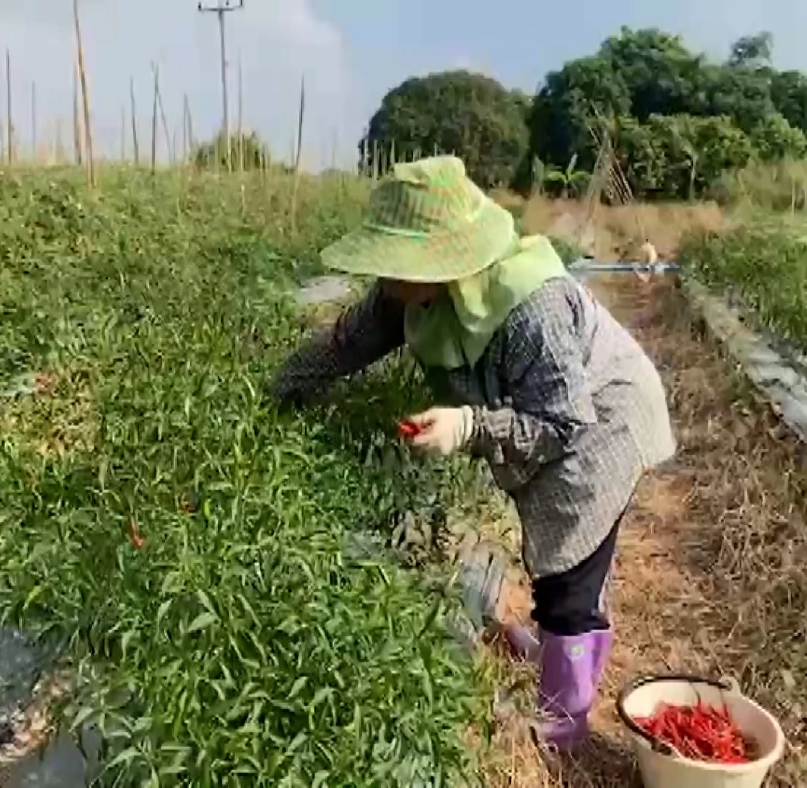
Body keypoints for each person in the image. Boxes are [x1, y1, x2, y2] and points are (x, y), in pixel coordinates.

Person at [271, 156, 676, 751]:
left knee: (572, 573)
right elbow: (344, 345)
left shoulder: (528, 307)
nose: (385, 278)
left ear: (441, 260)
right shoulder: (407, 296)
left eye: (395, 263)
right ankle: (558, 647)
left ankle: (564, 721)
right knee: (559, 559)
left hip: (602, 419)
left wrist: (468, 426)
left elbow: (561, 420)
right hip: (554, 417)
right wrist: (281, 391)